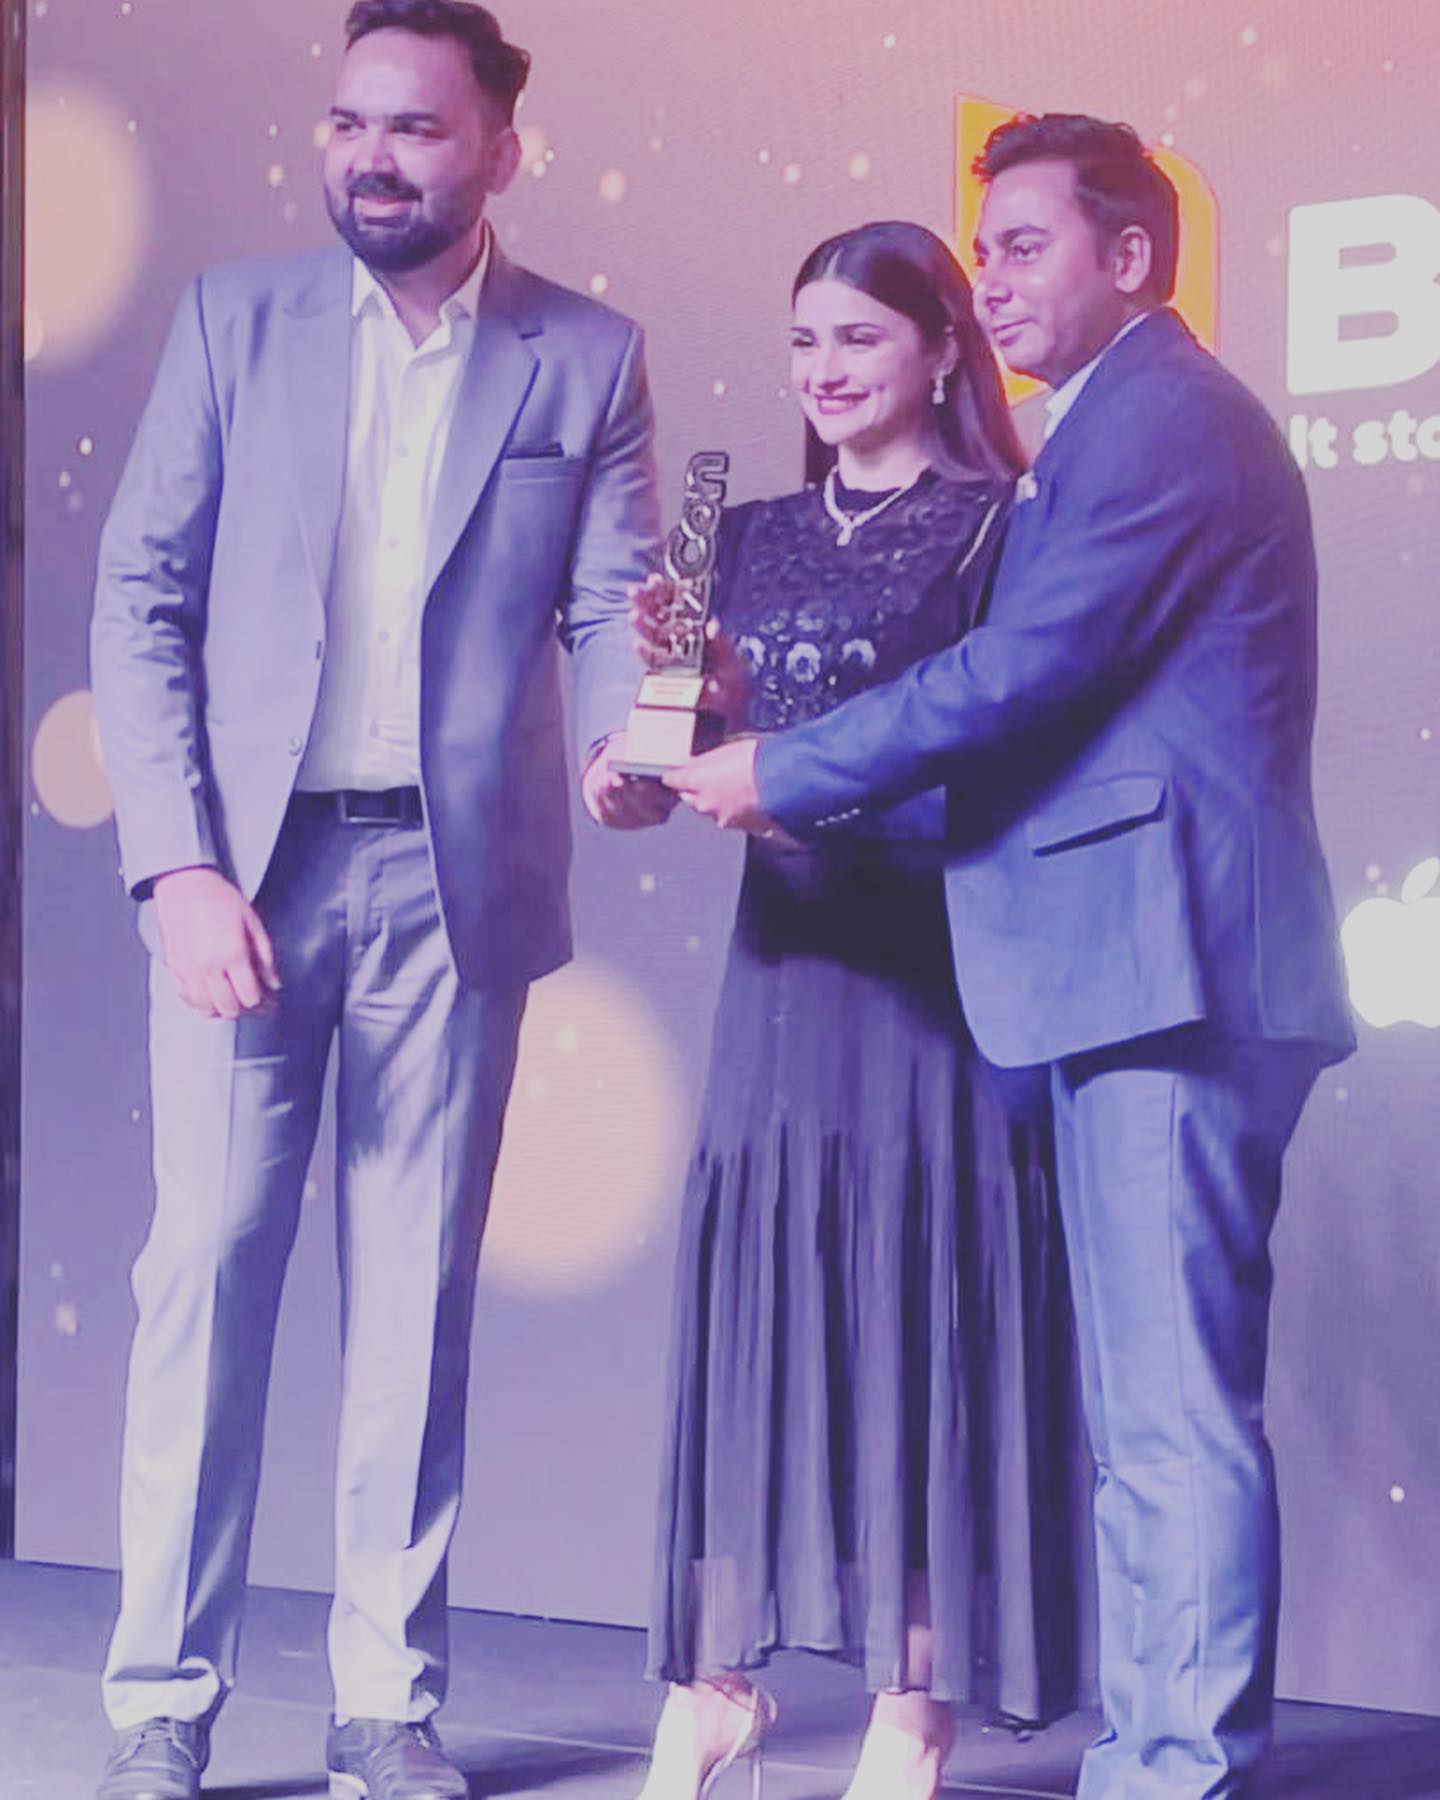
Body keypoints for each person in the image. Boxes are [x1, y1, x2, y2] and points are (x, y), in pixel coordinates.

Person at [667, 117, 1355, 1799]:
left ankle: (1173, 1769)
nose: (994, 283)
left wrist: (786, 770)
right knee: (1147, 1422)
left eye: (1026, 246)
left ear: (1132, 255)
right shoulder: (1106, 424)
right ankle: (1154, 1755)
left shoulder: (1165, 417)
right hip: (1130, 969)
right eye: (984, 253)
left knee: (1171, 1420)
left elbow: (1022, 673)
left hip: (1175, 968)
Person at [88, 4, 667, 1797]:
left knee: (414, 1303)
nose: (372, 156)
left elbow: (614, 599)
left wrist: (625, 745)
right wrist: (180, 864)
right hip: (246, 872)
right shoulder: (233, 323)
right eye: (349, 121)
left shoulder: (588, 353)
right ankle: (161, 1704)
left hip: (455, 880)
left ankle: (384, 1703)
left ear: (501, 148)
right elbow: (140, 596)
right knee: (208, 1276)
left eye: (415, 127)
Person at [626, 222, 1088, 1800]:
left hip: (935, 973)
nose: (823, 371)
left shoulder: (1002, 526)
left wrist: (792, 777)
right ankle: (716, 1687)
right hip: (781, 973)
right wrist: (649, 750)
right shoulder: (732, 527)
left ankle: (913, 1707)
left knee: (920, 1313)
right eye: (804, 340)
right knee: (761, 1306)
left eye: (860, 338)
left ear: (944, 350)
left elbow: (1008, 751)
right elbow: (653, 771)